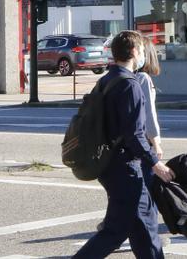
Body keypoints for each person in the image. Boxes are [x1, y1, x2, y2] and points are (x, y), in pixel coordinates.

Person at [75, 31, 174, 259]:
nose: (142, 55)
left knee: (143, 229)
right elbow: (134, 134)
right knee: (116, 231)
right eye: (140, 50)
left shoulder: (106, 80)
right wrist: (155, 163)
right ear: (133, 52)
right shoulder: (130, 85)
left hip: (108, 164)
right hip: (125, 167)